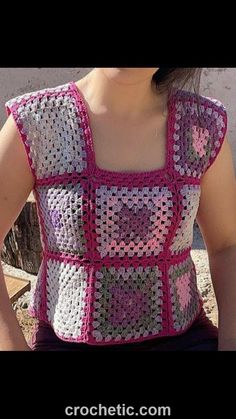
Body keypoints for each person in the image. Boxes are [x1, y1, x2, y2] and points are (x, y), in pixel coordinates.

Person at [0, 68, 236, 351]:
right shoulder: (36, 121)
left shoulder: (202, 125)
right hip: (68, 342)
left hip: (184, 338)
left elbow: (226, 245)